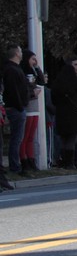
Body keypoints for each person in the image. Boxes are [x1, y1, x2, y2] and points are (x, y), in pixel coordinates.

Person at [2, 45, 30, 178]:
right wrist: (20, 106)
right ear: (16, 53)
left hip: (17, 107)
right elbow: (13, 91)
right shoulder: (11, 70)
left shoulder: (15, 69)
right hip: (16, 108)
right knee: (16, 138)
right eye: (20, 51)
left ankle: (16, 164)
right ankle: (15, 165)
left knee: (17, 138)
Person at [17, 49, 46, 173]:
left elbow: (42, 81)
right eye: (32, 59)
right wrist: (32, 93)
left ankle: (32, 160)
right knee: (24, 136)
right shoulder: (22, 72)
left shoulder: (33, 72)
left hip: (35, 108)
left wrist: (37, 67)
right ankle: (24, 161)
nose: (34, 61)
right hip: (27, 107)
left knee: (31, 137)